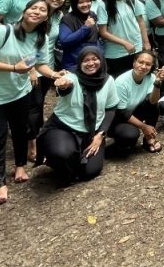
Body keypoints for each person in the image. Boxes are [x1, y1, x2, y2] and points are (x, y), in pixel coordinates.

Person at [0, 0, 57, 206]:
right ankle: (0, 185)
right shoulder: (4, 32)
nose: (36, 11)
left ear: (46, 17)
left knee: (21, 131)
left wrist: (55, 74)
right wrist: (13, 68)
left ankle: (20, 167)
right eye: (33, 8)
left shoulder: (41, 38)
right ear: (24, 11)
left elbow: (41, 64)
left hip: (19, 93)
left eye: (42, 10)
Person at [36, 46, 120, 183]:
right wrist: (62, 85)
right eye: (86, 60)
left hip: (92, 132)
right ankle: (60, 161)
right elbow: (64, 87)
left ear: (101, 60)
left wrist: (101, 135)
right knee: (61, 154)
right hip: (64, 128)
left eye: (95, 59)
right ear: (80, 63)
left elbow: (111, 109)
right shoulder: (72, 78)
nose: (91, 63)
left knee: (90, 171)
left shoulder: (108, 81)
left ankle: (75, 158)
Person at [28, 0, 68, 155]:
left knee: (39, 103)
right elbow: (26, 44)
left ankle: (36, 135)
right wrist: (30, 69)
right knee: (35, 105)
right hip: (30, 67)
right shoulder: (36, 13)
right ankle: (32, 143)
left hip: (47, 65)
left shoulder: (59, 16)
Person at [109, 51, 164, 154]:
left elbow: (153, 101)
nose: (143, 66)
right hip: (116, 119)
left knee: (154, 106)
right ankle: (116, 145)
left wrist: (157, 83)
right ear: (134, 63)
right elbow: (121, 112)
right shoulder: (121, 82)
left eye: (148, 64)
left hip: (132, 112)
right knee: (131, 136)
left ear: (152, 66)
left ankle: (149, 139)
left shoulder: (151, 77)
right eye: (141, 62)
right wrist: (144, 126)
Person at [97, 0, 151, 75]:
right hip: (116, 54)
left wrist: (146, 42)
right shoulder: (103, 5)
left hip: (137, 48)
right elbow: (103, 32)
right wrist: (124, 43)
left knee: (139, 77)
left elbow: (140, 20)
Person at [59, 0, 99, 72]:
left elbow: (95, 38)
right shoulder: (68, 19)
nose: (85, 4)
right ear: (74, 3)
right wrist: (85, 27)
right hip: (74, 65)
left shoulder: (92, 15)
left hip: (92, 63)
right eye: (81, 2)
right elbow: (64, 41)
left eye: (88, 1)